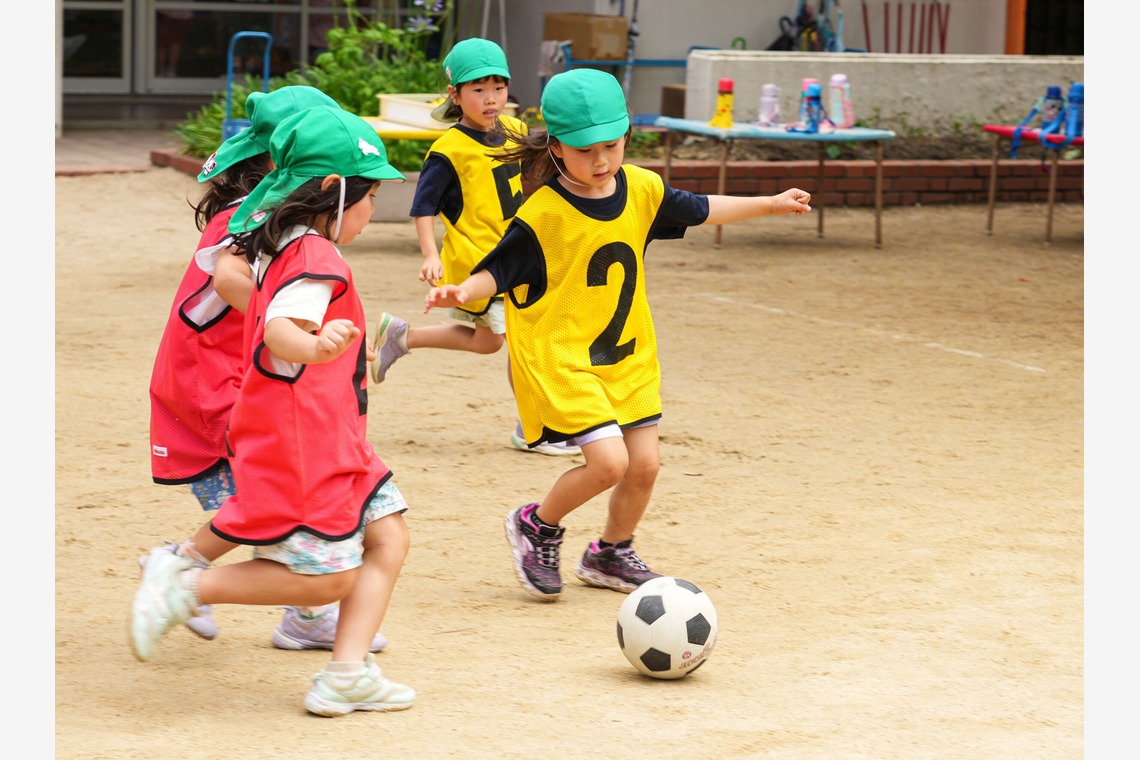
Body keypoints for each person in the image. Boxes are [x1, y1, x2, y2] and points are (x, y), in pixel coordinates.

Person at [424, 69, 812, 600]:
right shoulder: (543, 215)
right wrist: (462, 291)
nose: (602, 160)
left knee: (645, 466)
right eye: (586, 151)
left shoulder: (641, 189)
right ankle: (537, 524)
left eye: (612, 145)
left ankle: (610, 551)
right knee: (609, 463)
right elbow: (499, 271)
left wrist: (768, 204)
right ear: (556, 147)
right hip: (564, 356)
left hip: (627, 354)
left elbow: (699, 208)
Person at [132, 105, 415, 717]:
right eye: (371, 197)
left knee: (388, 535)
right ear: (335, 194)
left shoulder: (277, 237)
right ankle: (184, 583)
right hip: (305, 436)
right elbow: (282, 325)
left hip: (332, 431)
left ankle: (346, 672)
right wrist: (313, 345)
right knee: (328, 577)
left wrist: (335, 346)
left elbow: (256, 294)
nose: (374, 212)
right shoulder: (316, 256)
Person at [368, 38, 580, 457]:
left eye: (498, 88)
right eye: (478, 89)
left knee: (493, 341)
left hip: (520, 256)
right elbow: (423, 207)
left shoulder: (516, 131)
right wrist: (430, 254)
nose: (491, 99)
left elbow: (547, 165)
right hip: (483, 262)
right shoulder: (448, 150)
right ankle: (533, 427)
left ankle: (402, 336)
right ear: (455, 95)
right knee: (518, 341)